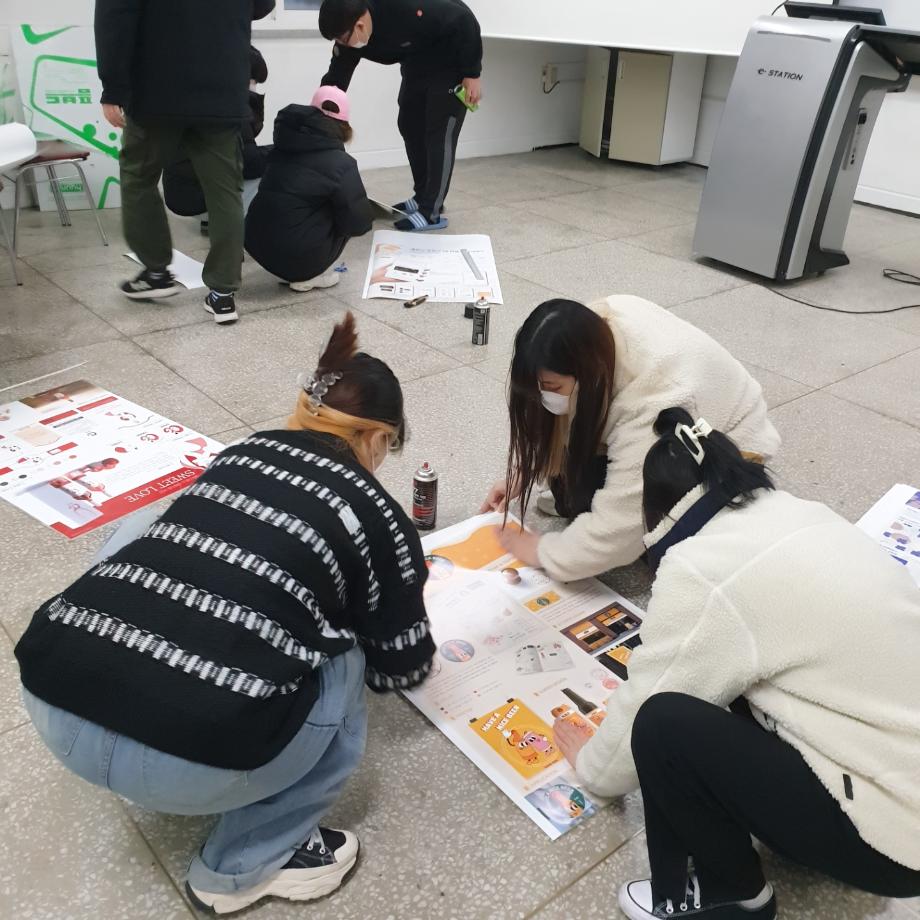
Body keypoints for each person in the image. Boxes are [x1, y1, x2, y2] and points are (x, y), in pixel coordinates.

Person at [15, 312, 435, 915]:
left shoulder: (240, 452)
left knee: (150, 531)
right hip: (192, 761)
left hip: (54, 703)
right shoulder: (378, 514)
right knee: (343, 653)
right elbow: (400, 667)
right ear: (378, 439)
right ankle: (245, 866)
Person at [552, 408, 920, 920]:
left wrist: (590, 765)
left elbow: (645, 706)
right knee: (731, 680)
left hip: (895, 841)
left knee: (662, 725)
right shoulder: (800, 512)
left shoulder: (704, 568)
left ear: (657, 513)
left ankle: (734, 895)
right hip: (901, 782)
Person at [480, 295, 781, 580]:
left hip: (731, 445)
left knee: (658, 540)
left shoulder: (650, 403)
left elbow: (617, 532)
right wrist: (525, 472)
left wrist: (542, 552)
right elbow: (555, 416)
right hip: (682, 395)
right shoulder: (592, 327)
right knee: (572, 490)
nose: (546, 397)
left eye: (553, 388)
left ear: (587, 373)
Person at [94, 0, 276, 325]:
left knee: (139, 178)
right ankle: (223, 294)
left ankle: (155, 271)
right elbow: (263, 5)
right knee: (225, 192)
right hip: (222, 86)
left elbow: (115, 16)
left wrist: (113, 88)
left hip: (156, 89)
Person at [318, 0, 482, 232]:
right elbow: (336, 79)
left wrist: (472, 73)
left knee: (439, 132)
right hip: (417, 61)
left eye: (343, 38)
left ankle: (431, 211)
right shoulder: (349, 36)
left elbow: (463, 20)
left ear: (360, 25)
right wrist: (320, 113)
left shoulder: (404, 7)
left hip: (450, 61)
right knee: (409, 123)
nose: (341, 44)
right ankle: (423, 195)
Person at [245, 88, 372, 292]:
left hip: (256, 244)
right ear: (345, 125)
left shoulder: (280, 148)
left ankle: (290, 268)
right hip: (298, 259)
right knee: (344, 210)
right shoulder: (341, 163)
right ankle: (309, 275)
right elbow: (358, 223)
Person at [163, 46, 271, 230]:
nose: (254, 87)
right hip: (199, 199)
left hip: (178, 194)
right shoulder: (232, 109)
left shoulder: (196, 97)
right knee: (271, 172)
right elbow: (250, 163)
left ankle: (212, 221)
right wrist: (281, 150)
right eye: (252, 81)